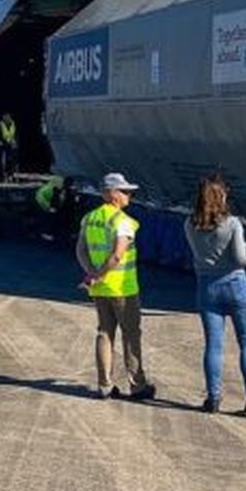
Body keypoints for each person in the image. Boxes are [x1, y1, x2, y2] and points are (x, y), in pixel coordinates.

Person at [184, 174, 246, 417]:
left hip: (207, 286)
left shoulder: (189, 224)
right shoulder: (232, 223)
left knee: (213, 347)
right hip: (236, 285)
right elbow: (239, 258)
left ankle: (213, 398)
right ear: (220, 197)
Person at [76, 172, 156, 401]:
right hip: (123, 288)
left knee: (104, 332)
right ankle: (138, 385)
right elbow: (117, 256)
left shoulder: (89, 218)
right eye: (124, 191)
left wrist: (91, 274)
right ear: (112, 194)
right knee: (131, 335)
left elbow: (80, 250)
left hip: (99, 290)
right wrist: (100, 275)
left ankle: (104, 385)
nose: (129, 195)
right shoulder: (123, 222)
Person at [34, 174, 74, 241]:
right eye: (67, 184)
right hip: (46, 204)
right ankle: (45, 232)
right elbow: (39, 195)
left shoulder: (67, 190)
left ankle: (66, 232)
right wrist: (48, 207)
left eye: (69, 184)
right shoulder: (51, 189)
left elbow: (65, 200)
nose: (68, 186)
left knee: (64, 214)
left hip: (57, 206)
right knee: (50, 215)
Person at [0, 112, 18, 180]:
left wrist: (15, 141)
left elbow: (16, 134)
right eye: (5, 116)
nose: (6, 117)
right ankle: (4, 174)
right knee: (3, 161)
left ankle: (12, 174)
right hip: (4, 145)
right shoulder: (0, 124)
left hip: (11, 145)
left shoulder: (13, 124)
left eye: (8, 116)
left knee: (12, 161)